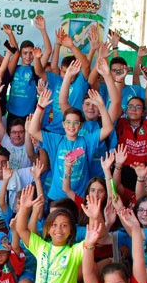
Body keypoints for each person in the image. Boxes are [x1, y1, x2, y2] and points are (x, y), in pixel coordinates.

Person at [28, 70, 112, 201]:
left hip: (79, 197)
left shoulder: (87, 141)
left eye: (75, 123)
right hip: (56, 196)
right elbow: (33, 131)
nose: (71, 126)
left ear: (80, 125)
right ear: (63, 124)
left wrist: (101, 106)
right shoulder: (56, 140)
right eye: (68, 122)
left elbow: (108, 128)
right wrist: (40, 107)